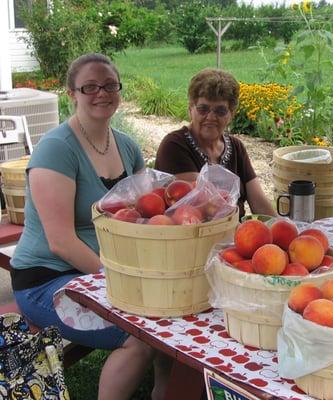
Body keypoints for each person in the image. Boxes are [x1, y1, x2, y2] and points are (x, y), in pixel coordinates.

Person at [10, 53, 169, 400]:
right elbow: (60, 242)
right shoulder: (56, 149)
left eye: (110, 85)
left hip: (105, 274)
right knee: (136, 335)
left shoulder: (125, 145)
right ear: (72, 94)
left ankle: (165, 392)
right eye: (90, 87)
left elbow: (146, 213)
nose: (102, 93)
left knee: (168, 309)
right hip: (49, 281)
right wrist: (126, 280)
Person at [155, 68, 276, 219]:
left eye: (220, 111)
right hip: (196, 236)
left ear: (231, 114)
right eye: (203, 109)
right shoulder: (174, 146)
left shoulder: (236, 147)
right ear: (190, 109)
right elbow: (205, 206)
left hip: (237, 236)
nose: (211, 117)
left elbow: (260, 203)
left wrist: (282, 227)